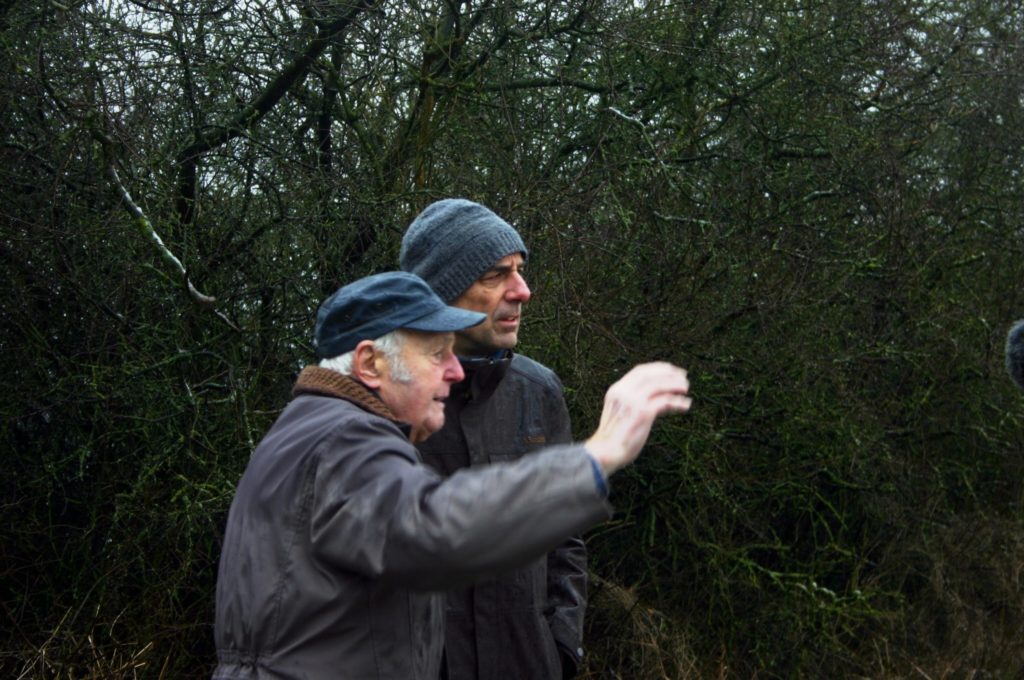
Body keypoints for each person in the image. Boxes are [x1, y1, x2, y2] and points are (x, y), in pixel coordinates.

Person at [212, 271, 692, 680]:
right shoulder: (347, 441)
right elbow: (434, 530)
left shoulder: (307, 428)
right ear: (369, 363)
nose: (455, 371)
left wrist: (558, 649)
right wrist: (596, 456)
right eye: (437, 353)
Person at [399, 198, 586, 679]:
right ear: (442, 293)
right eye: (495, 276)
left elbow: (565, 538)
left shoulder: (539, 393)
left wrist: (560, 648)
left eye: (520, 271)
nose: (522, 291)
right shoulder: (380, 404)